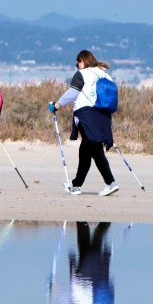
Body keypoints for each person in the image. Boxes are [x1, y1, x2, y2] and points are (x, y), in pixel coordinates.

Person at [50, 50, 119, 196]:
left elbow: (72, 94)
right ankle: (76, 185)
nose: (77, 65)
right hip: (103, 115)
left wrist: (57, 105)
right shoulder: (104, 73)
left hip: (86, 115)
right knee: (86, 150)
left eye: (78, 62)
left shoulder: (82, 74)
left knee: (95, 149)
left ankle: (110, 182)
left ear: (84, 60)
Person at [68, 221, 114, 304]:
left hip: (99, 278)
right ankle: (94, 221)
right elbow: (76, 291)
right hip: (89, 275)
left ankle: (88, 222)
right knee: (92, 243)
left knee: (90, 245)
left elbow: (73, 296)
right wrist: (72, 262)